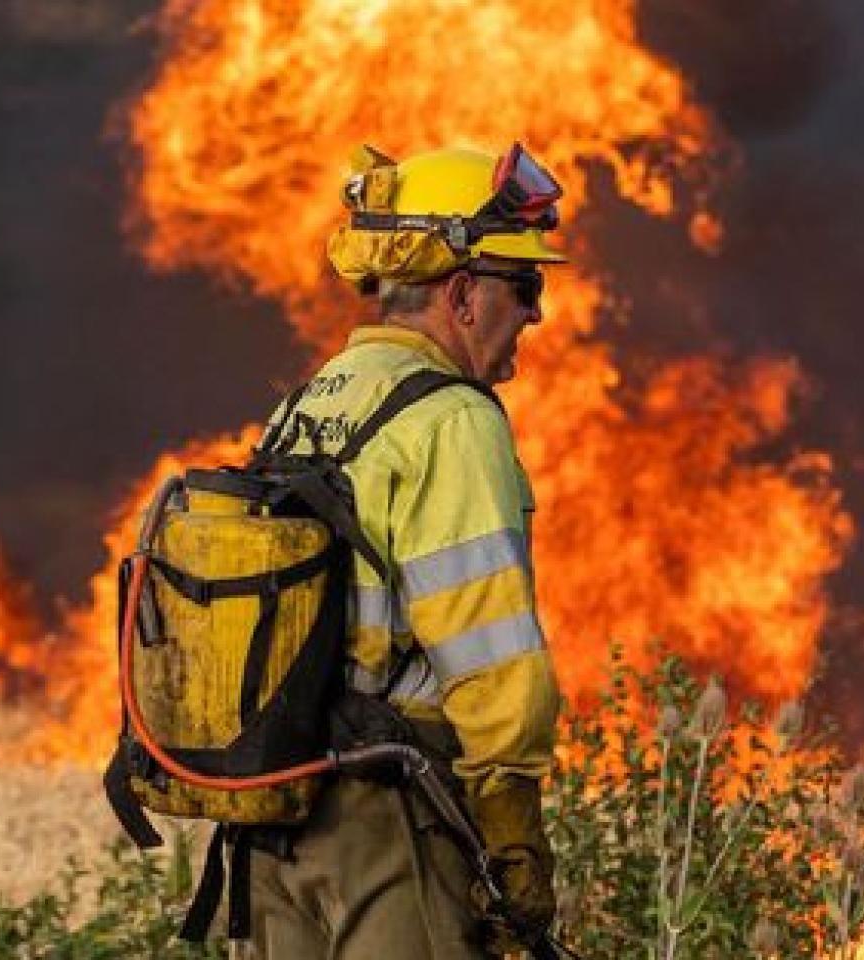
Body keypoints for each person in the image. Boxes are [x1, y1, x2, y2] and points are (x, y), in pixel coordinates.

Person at [236, 144, 567, 958]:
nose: (534, 313)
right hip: (384, 818)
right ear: (462, 294)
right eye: (523, 286)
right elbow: (493, 669)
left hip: (274, 823)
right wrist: (513, 840)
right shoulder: (453, 421)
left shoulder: (306, 405)